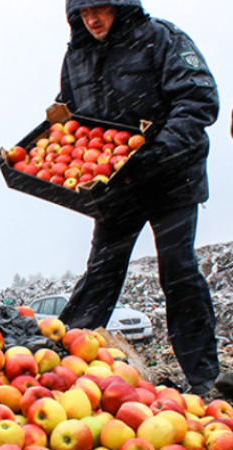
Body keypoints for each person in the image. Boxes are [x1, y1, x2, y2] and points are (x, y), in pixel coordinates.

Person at [54, 0, 220, 396]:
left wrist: (155, 153)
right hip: (117, 185)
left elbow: (198, 100)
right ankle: (57, 363)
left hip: (171, 178)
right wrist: (57, 145)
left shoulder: (163, 39)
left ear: (121, 5)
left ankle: (206, 380)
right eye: (83, 11)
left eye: (100, 8)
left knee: (178, 271)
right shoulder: (76, 56)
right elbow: (71, 115)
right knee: (101, 274)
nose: (91, 19)